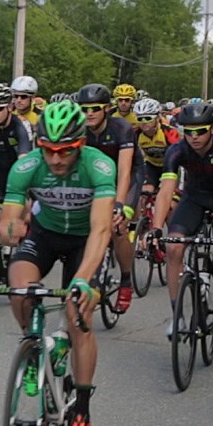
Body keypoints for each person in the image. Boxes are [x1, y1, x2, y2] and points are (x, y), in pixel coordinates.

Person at [0, 101, 113, 426]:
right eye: (48, 150)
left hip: (84, 241)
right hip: (45, 235)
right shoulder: (27, 167)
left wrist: (82, 280)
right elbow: (6, 221)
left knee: (79, 315)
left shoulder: (98, 166)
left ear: (80, 145)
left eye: (65, 151)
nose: (56, 160)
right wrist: (8, 229)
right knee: (19, 290)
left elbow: (101, 230)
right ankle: (33, 346)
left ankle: (82, 409)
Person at [145, 102, 213, 333]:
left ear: (212, 128)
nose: (194, 137)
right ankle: (177, 315)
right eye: (188, 132)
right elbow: (166, 190)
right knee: (173, 248)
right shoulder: (177, 150)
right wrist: (156, 228)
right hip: (194, 198)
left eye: (200, 131)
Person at [76, 83, 139, 314]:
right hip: (97, 179)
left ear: (107, 109)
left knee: (117, 226)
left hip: (128, 176)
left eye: (94, 108)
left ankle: (125, 280)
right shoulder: (79, 129)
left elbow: (124, 171)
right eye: (84, 109)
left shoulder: (122, 128)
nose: (89, 113)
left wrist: (120, 205)